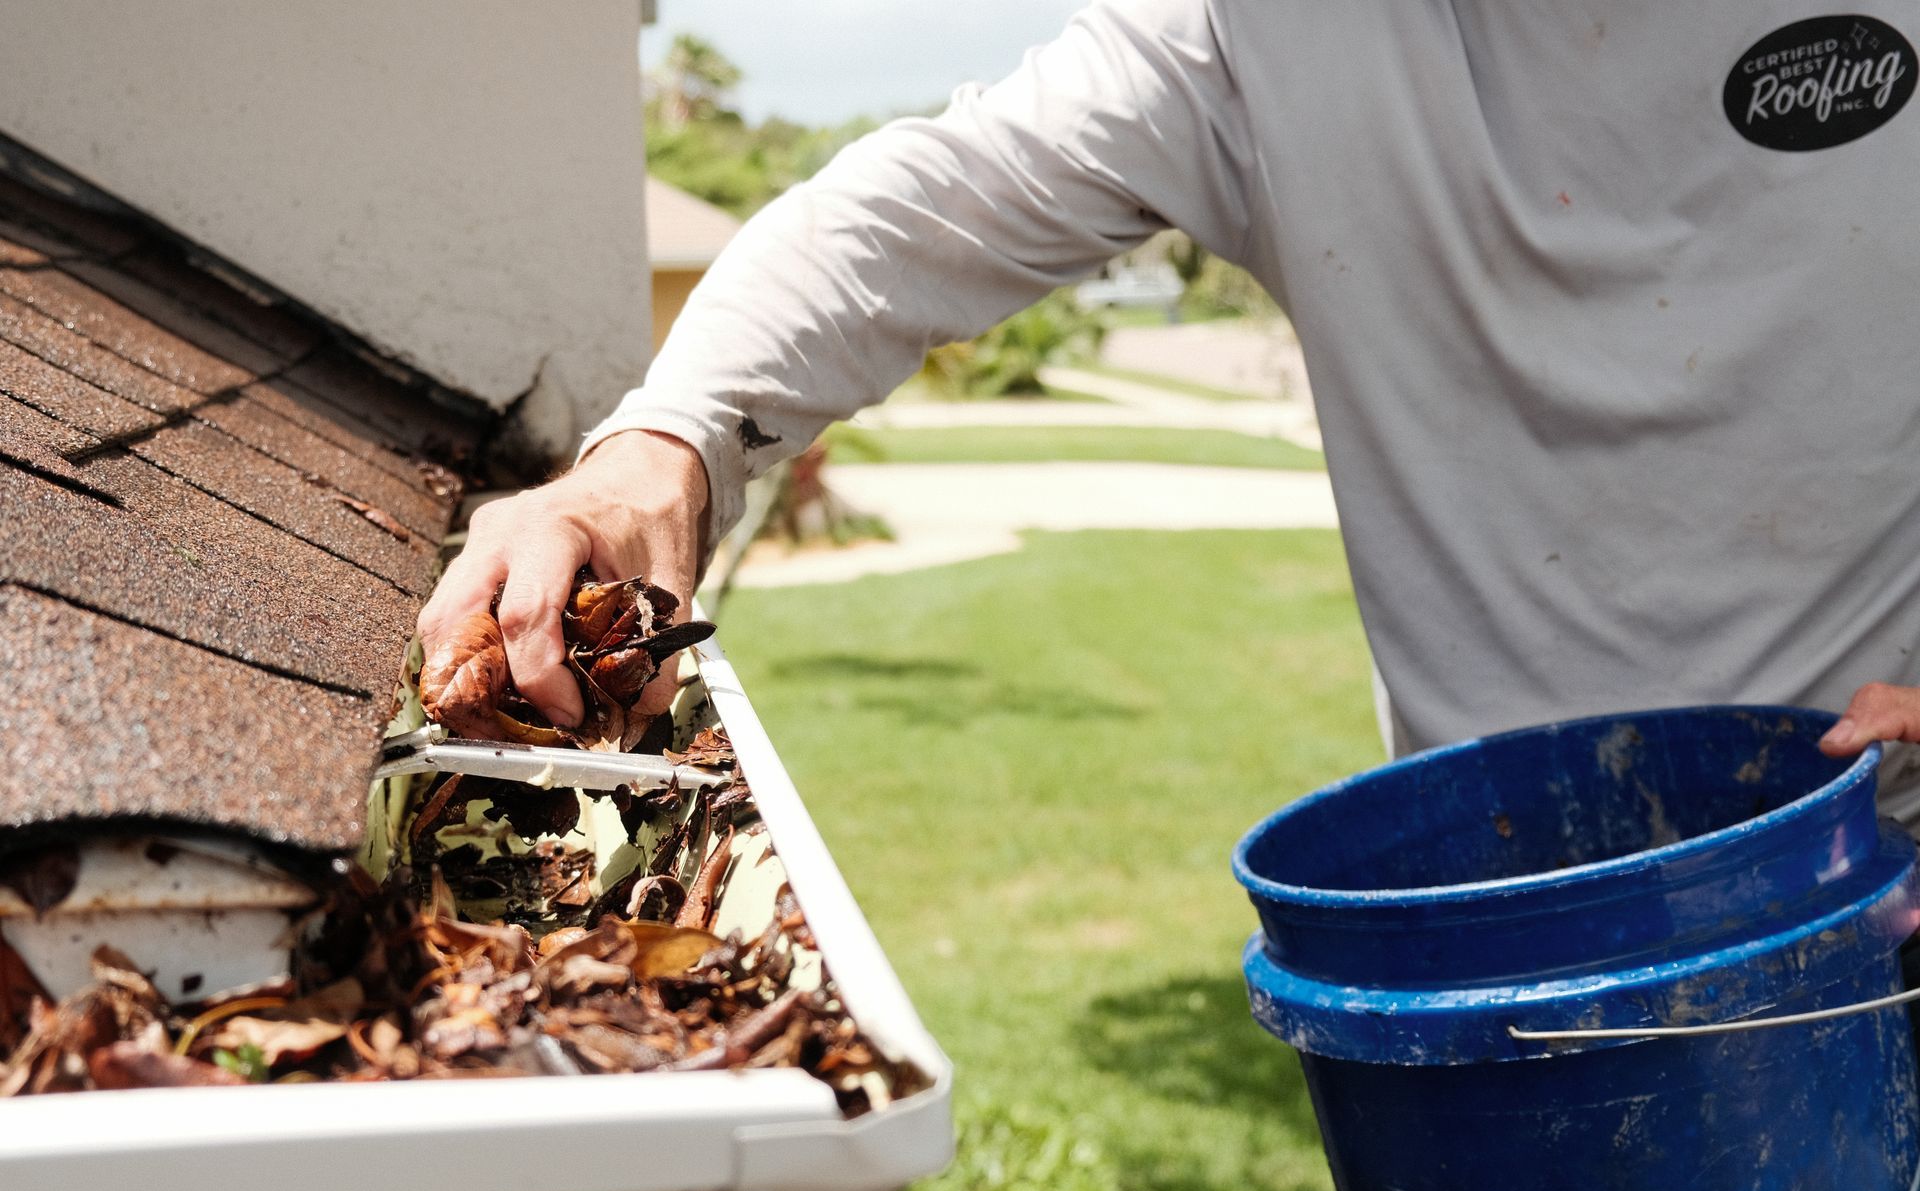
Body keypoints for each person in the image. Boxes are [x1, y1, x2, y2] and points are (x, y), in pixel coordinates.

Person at [419, 0, 1920, 821]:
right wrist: (657, 444)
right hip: (1491, 916)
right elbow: (923, 210)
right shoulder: (1259, 35)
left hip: (1881, 856)